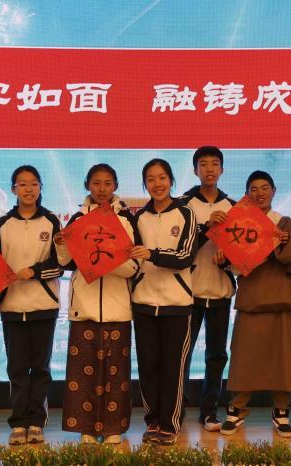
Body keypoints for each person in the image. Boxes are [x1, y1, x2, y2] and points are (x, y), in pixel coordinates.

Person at [221, 170, 291, 439]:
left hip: (284, 299)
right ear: (247, 195)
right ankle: (237, 408)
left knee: (286, 359)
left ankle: (281, 410)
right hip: (252, 298)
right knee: (245, 357)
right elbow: (234, 265)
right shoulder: (238, 224)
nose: (260, 193)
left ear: (274, 191)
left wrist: (284, 244)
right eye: (254, 189)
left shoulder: (286, 224)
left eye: (264, 188)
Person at [54, 164, 139, 444]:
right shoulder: (78, 219)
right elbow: (65, 262)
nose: (102, 189)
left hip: (118, 309)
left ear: (115, 186)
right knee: (83, 375)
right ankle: (87, 429)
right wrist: (61, 243)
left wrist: (106, 259)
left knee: (117, 374)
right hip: (84, 308)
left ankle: (113, 428)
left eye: (107, 183)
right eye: (96, 183)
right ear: (87, 185)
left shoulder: (127, 220)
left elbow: (135, 266)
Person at [0, 165, 63, 445]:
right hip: (11, 306)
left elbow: (62, 263)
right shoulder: (3, 223)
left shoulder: (52, 221)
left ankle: (37, 422)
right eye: (22, 184)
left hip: (44, 305)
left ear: (40, 187)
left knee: (40, 368)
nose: (28, 189)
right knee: (17, 368)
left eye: (34, 183)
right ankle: (19, 423)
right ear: (13, 189)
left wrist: (36, 271)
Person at [129, 158, 198, 446]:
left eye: (162, 178)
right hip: (143, 302)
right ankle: (153, 421)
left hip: (177, 304)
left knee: (174, 368)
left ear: (171, 180)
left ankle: (170, 424)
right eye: (151, 179)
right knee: (148, 366)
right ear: (145, 184)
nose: (157, 184)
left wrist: (153, 254)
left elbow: (186, 257)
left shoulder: (186, 213)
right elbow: (131, 257)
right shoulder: (139, 217)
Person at [179, 146, 235, 432]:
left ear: (222, 170)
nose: (210, 169)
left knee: (217, 355)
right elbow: (179, 248)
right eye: (204, 164)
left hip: (221, 291)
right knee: (182, 355)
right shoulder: (183, 204)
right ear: (195, 170)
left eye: (215, 164)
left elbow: (243, 254)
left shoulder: (234, 207)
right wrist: (206, 228)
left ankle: (209, 411)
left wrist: (229, 257)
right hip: (187, 293)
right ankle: (176, 410)